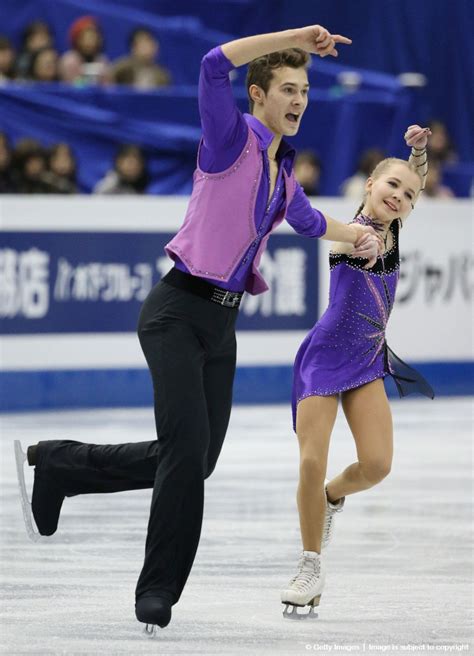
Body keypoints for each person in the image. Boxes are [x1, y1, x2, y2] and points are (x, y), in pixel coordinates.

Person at [14, 24, 381, 633]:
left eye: (306, 91)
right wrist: (295, 37)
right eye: (288, 88)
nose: (299, 100)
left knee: (193, 459)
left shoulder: (282, 173)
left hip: (221, 329)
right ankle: (158, 592)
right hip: (176, 313)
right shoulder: (229, 139)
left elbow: (311, 221)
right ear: (258, 94)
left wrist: (360, 235)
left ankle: (59, 465)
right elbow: (213, 63)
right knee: (184, 455)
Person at [280, 125, 435, 619]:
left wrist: (417, 155)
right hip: (325, 358)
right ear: (369, 185)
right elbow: (345, 239)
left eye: (409, 195)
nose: (400, 196)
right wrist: (356, 239)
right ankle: (309, 565)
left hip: (368, 362)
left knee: (377, 466)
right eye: (392, 185)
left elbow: (418, 177)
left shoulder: (394, 230)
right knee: (310, 460)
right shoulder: (356, 231)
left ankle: (332, 497)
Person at [59, 15, 110, 85]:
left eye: (92, 37)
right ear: (77, 40)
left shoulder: (102, 60)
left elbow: (108, 87)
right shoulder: (69, 60)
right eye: (85, 38)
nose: (89, 42)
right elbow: (71, 86)